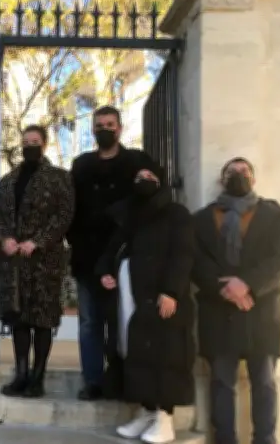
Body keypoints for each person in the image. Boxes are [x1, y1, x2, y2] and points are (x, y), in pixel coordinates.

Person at [192, 157, 280, 444]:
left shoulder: (277, 216)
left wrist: (247, 284)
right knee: (222, 383)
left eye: (244, 170)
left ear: (254, 178)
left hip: (261, 311)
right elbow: (196, 260)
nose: (238, 174)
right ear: (222, 179)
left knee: (263, 382)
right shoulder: (201, 219)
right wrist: (225, 287)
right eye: (231, 171)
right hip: (218, 309)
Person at [96, 167, 195, 444]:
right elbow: (111, 250)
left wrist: (171, 291)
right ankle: (145, 411)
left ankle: (165, 418)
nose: (144, 182)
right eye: (139, 178)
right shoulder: (126, 215)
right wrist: (104, 271)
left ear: (161, 183)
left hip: (160, 295)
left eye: (150, 178)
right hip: (129, 292)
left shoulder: (176, 214)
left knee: (165, 353)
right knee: (135, 350)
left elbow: (183, 254)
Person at [67, 105, 157, 400]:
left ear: (120, 128)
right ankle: (92, 381)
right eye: (99, 125)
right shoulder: (80, 165)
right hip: (86, 258)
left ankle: (122, 380)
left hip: (124, 258)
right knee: (90, 323)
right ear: (93, 130)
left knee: (123, 321)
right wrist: (75, 242)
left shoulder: (137, 160)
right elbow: (70, 209)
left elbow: (154, 195)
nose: (104, 129)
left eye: (110, 124)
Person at [0, 124, 75, 398]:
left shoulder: (59, 178)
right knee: (20, 320)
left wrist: (37, 241)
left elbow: (64, 215)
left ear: (45, 144)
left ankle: (38, 378)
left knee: (43, 321)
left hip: (45, 261)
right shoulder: (8, 180)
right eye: (26, 142)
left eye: (35, 141)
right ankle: (21, 375)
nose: (30, 146)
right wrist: (4, 239)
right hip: (15, 263)